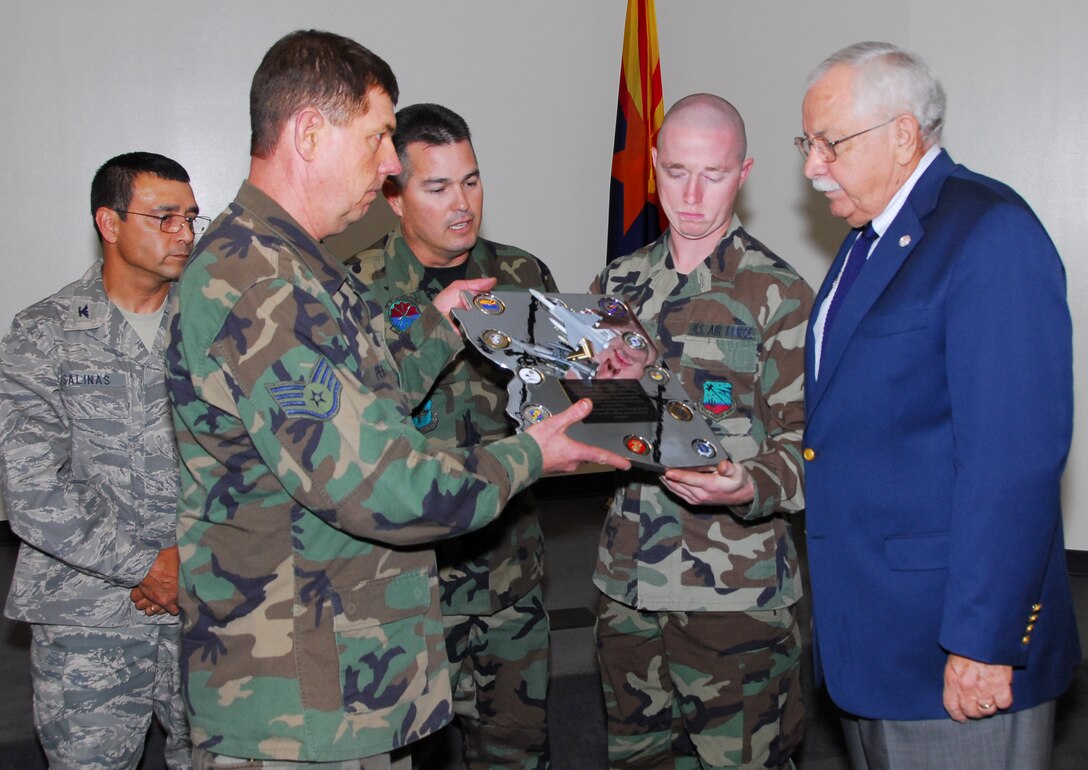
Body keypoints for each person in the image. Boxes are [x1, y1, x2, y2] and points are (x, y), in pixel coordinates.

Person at [166, 31, 627, 770]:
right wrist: (529, 456)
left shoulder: (290, 263)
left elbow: (364, 393)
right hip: (301, 702)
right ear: (311, 133)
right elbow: (387, 485)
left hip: (336, 680)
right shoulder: (262, 286)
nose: (389, 163)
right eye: (380, 135)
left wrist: (442, 327)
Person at [797, 42, 1080, 769]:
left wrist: (984, 645)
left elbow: (1013, 463)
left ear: (902, 133)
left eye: (829, 144)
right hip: (876, 639)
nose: (811, 166)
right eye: (807, 144)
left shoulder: (989, 233)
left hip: (951, 649)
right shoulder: (869, 240)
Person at [590, 94, 813, 769]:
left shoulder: (779, 294)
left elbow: (811, 448)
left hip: (735, 598)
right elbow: (602, 426)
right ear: (652, 165)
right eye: (676, 171)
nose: (690, 194)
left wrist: (750, 484)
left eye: (712, 175)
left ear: (743, 173)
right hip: (627, 585)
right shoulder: (616, 285)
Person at [350, 102, 556, 770]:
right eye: (437, 187)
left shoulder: (524, 278)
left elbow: (558, 406)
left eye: (471, 180)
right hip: (409, 590)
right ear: (393, 194)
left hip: (510, 577)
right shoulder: (354, 290)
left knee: (518, 752)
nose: (462, 203)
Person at [0, 151, 203, 769]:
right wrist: (145, 565)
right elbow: (32, 486)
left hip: (207, 604)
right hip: (87, 617)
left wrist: (185, 563)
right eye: (164, 218)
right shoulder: (44, 332)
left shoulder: (217, 326)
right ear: (109, 224)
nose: (185, 234)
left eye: (191, 218)